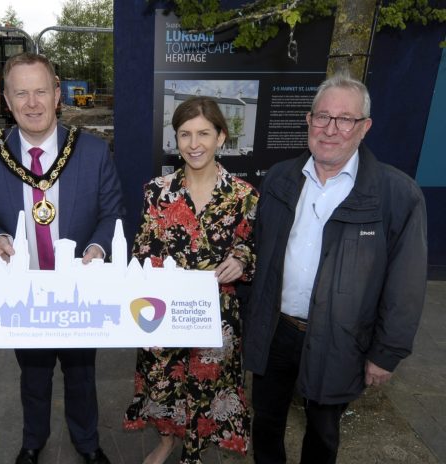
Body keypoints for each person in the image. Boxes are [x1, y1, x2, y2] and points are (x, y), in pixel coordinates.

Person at [243, 73, 428, 463]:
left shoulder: (396, 195)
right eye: (322, 116)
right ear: (308, 121)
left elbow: (405, 287)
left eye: (345, 119)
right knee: (266, 423)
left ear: (364, 128)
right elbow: (259, 254)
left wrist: (386, 353)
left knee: (323, 434)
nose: (331, 129)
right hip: (277, 331)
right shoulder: (280, 179)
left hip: (341, 340)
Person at [0, 52, 123, 464]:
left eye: (41, 91)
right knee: (33, 375)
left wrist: (97, 249)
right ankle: (32, 442)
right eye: (21, 93)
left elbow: (112, 214)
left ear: (58, 95)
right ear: (6, 99)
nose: (32, 103)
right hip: (26, 291)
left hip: (78, 288)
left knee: (81, 373)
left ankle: (87, 443)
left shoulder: (91, 151)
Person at [123, 96, 258, 464]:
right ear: (176, 139)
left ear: (221, 137)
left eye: (203, 134)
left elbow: (251, 246)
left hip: (215, 312)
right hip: (165, 308)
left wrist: (240, 259)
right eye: (185, 134)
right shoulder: (157, 191)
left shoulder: (243, 196)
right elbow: (141, 249)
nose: (194, 144)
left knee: (206, 383)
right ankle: (167, 440)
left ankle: (195, 452)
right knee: (162, 378)